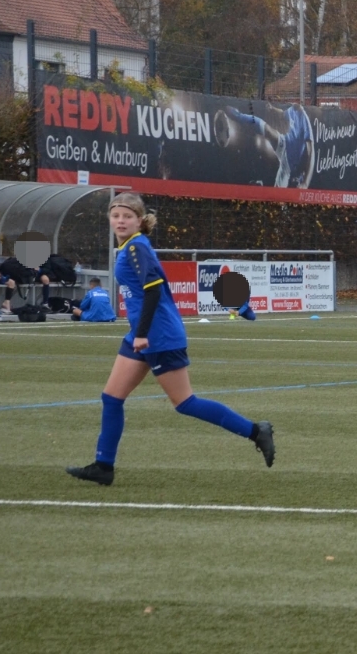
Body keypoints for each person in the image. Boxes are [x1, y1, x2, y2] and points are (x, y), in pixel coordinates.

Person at [64, 194, 275, 487]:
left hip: (158, 335)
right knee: (111, 397)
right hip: (143, 333)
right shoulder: (130, 247)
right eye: (116, 216)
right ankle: (103, 466)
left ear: (139, 220)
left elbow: (152, 291)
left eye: (127, 216)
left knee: (185, 402)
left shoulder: (136, 247)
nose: (121, 221)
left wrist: (142, 334)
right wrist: (138, 333)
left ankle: (256, 431)